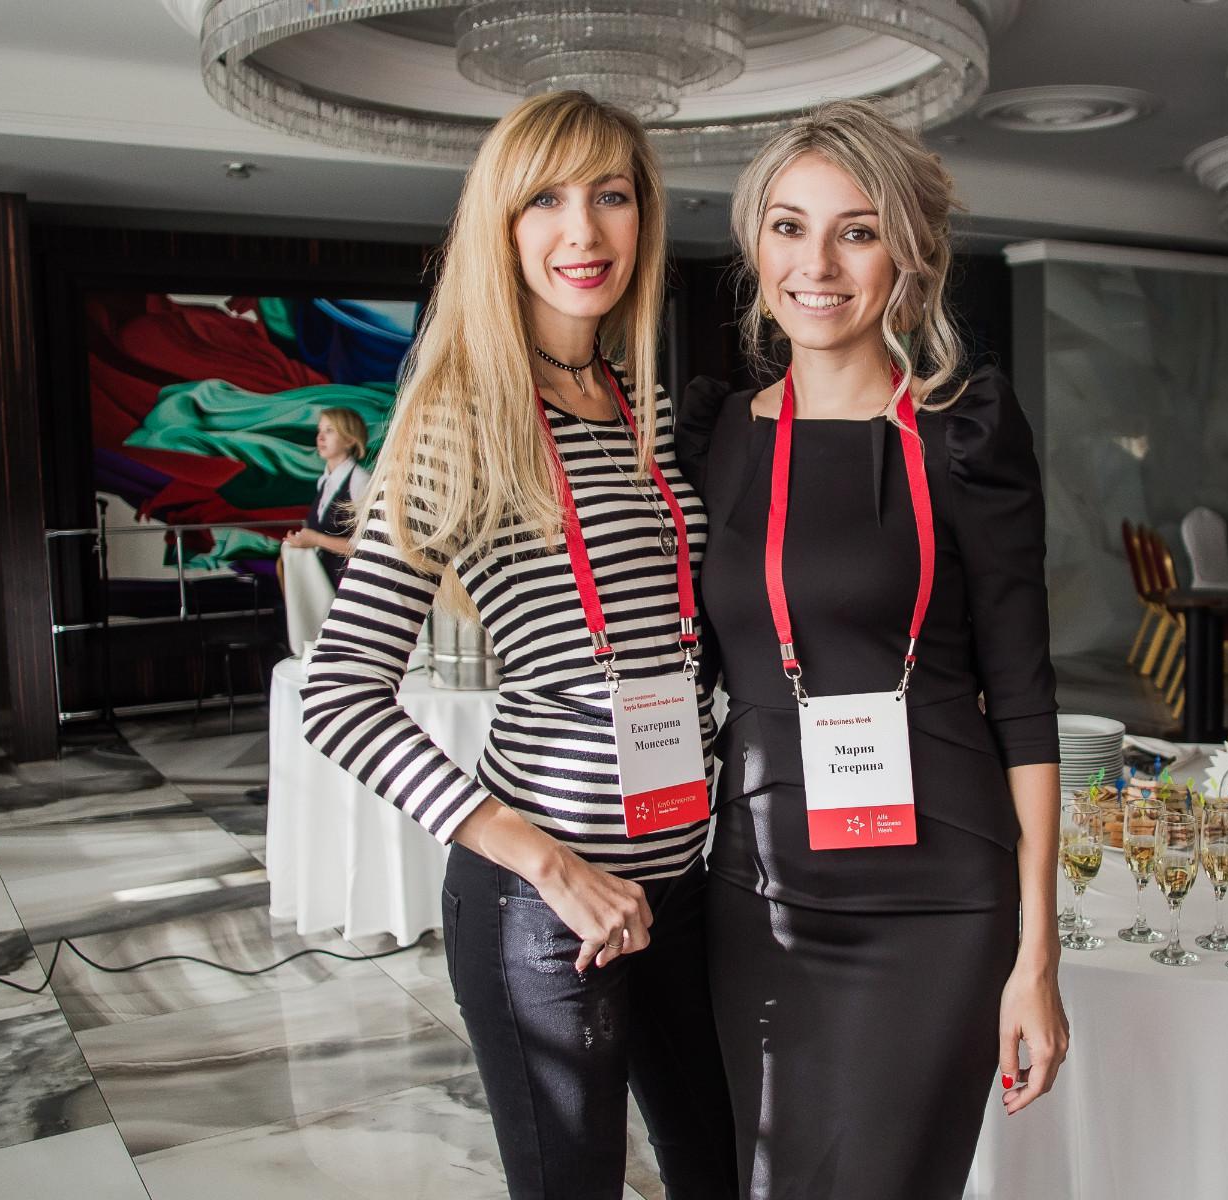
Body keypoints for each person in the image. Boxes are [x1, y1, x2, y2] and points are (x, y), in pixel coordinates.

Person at [301, 91, 736, 1200]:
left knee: (723, 1173)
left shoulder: (641, 405)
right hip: (545, 908)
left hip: (678, 882)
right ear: (500, 223)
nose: (582, 231)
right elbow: (338, 694)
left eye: (611, 196)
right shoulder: (459, 420)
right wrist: (549, 865)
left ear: (644, 218)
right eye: (545, 199)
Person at [675, 99, 1068, 1200]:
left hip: (938, 903)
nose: (818, 264)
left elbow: (1025, 703)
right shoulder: (714, 438)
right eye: (788, 227)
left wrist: (1038, 955)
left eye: (857, 230)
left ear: (909, 254)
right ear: (756, 246)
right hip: (757, 891)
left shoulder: (966, 434)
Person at [283, 406, 370, 586]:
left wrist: (316, 540)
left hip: (348, 586)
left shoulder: (360, 481)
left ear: (349, 440)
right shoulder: (324, 481)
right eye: (320, 430)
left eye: (329, 431)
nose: (320, 437)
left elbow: (367, 546)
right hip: (324, 584)